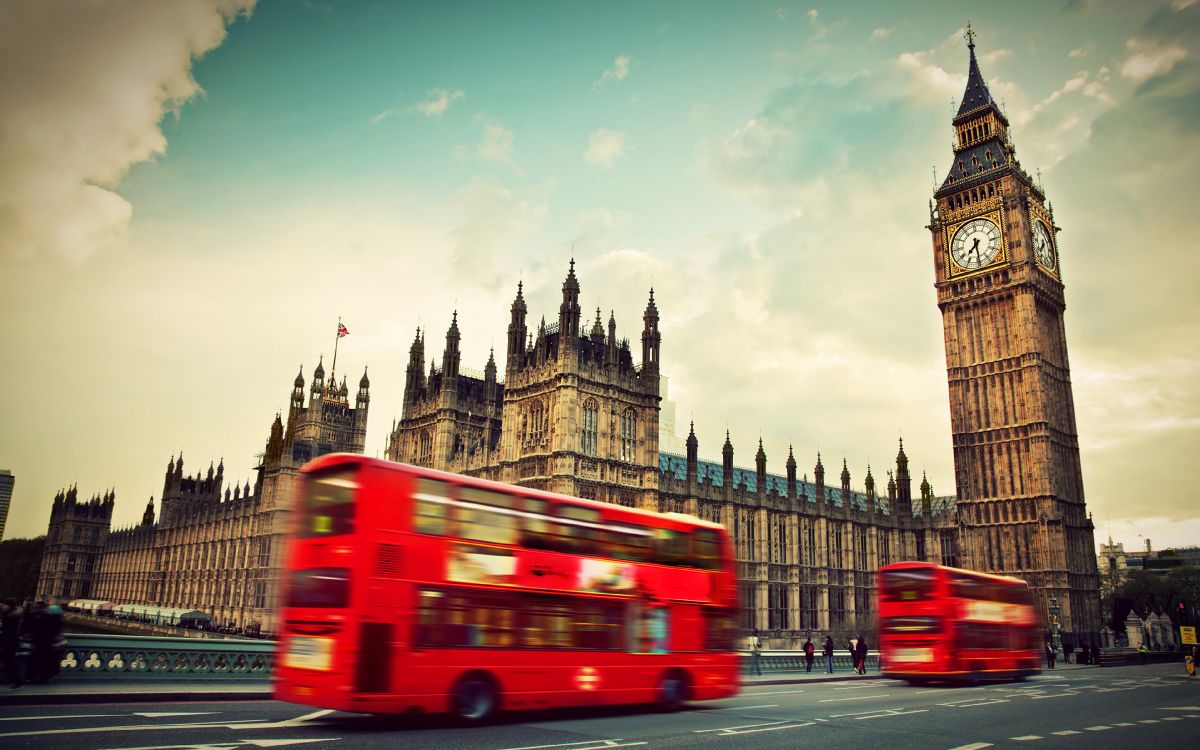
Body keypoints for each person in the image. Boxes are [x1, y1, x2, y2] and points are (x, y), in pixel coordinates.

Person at [2, 598, 23, 689]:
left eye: (4, 605)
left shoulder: (11, 616)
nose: (2, 606)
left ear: (9, 606)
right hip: (10, 641)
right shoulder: (10, 614)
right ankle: (16, 681)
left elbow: (8, 630)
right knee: (9, 662)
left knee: (10, 662)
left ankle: (17, 682)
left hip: (10, 642)